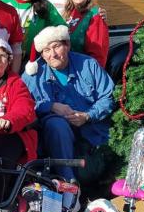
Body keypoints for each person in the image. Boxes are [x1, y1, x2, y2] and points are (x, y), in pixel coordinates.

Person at [22, 25, 114, 198]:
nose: (53, 54)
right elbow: (23, 105)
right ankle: (68, 184)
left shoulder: (88, 65)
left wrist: (88, 116)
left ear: (67, 45)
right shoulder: (33, 74)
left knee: (94, 172)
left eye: (57, 46)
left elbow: (108, 96)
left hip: (91, 134)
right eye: (47, 50)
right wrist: (50, 106)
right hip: (53, 138)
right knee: (56, 124)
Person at [1, 0, 67, 71]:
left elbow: (62, 29)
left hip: (33, 64)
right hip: (3, 62)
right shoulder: (3, 3)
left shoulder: (44, 5)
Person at [63, 0, 109, 67]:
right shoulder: (67, 12)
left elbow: (98, 53)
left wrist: (92, 75)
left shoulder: (95, 16)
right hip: (67, 68)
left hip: (83, 70)